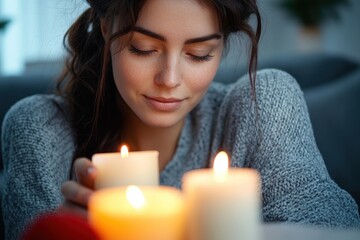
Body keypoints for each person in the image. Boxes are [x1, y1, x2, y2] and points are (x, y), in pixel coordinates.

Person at [1, 0, 359, 239]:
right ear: (107, 28)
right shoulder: (41, 130)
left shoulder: (262, 105)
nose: (169, 79)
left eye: (199, 54)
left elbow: (327, 230)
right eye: (144, 49)